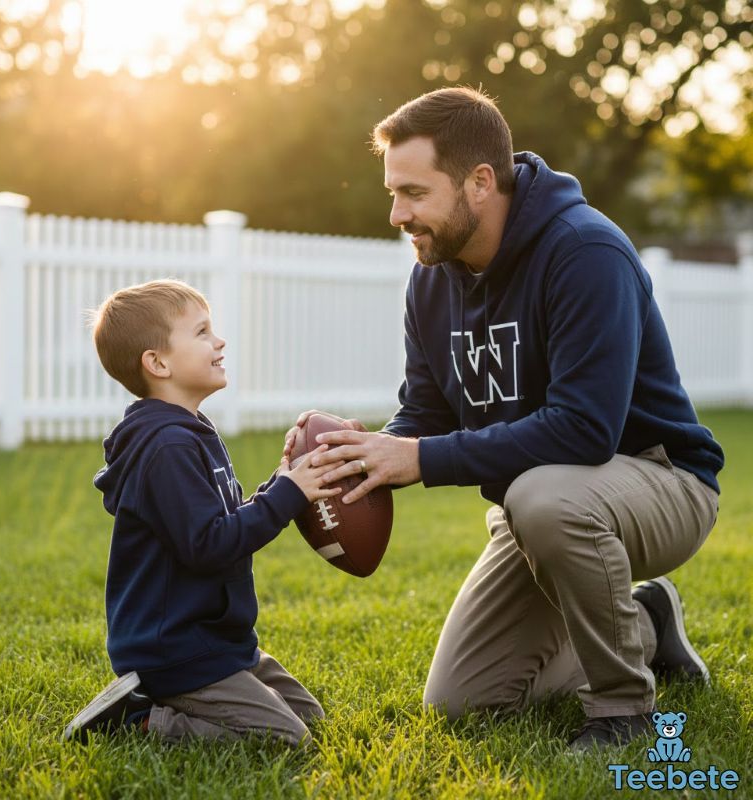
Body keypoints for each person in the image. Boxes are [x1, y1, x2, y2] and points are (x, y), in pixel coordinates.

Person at [284, 87, 723, 751]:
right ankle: (641, 617)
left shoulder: (586, 253)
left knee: (542, 497)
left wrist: (422, 460)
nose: (398, 214)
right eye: (392, 193)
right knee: (465, 700)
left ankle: (622, 712)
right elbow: (425, 413)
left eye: (414, 192)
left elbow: (584, 431)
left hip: (661, 483)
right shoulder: (430, 280)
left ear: (480, 182)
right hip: (541, 507)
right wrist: (361, 451)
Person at [63, 279, 342, 746]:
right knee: (288, 740)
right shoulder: (166, 447)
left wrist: (284, 478)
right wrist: (289, 494)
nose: (220, 341)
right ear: (158, 362)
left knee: (309, 719)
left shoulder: (191, 430)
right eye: (202, 332)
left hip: (220, 642)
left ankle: (176, 703)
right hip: (177, 649)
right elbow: (209, 545)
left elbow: (226, 520)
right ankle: (145, 720)